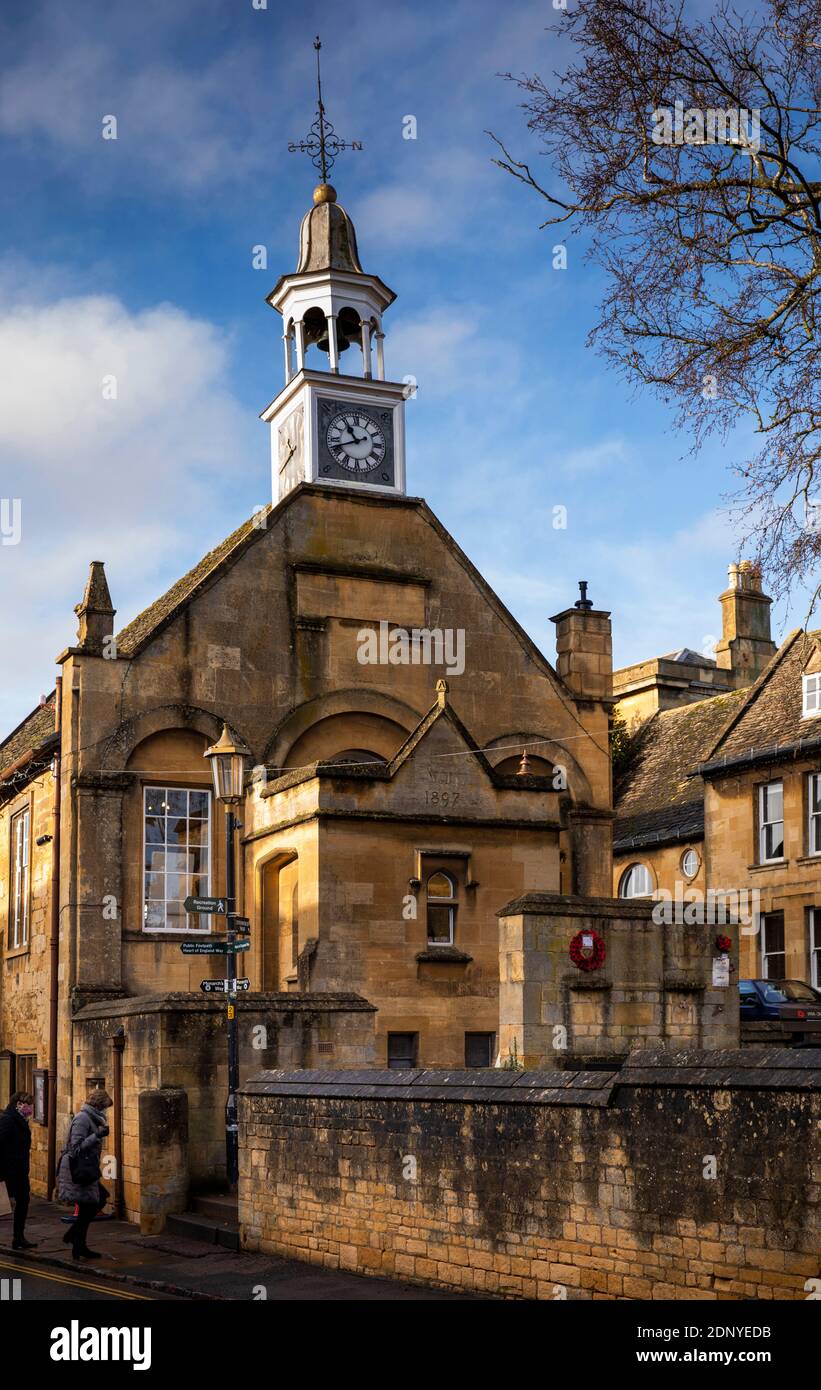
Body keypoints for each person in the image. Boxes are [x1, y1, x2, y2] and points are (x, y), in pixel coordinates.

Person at [57, 1088, 113, 1260]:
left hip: (87, 1167)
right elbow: (76, 1147)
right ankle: (74, 1238)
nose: (106, 1111)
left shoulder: (94, 1118)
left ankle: (78, 1244)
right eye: (105, 1107)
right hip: (78, 1169)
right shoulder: (82, 1118)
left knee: (90, 1205)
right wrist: (97, 1135)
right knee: (98, 1200)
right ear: (98, 1105)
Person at [0, 1091, 37, 1251]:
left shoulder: (20, 1119)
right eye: (27, 1105)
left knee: (23, 1201)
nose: (30, 1108)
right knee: (17, 1202)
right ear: (18, 1104)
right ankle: (18, 1237)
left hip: (19, 1169)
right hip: (10, 1170)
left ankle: (19, 1237)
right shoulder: (8, 1120)